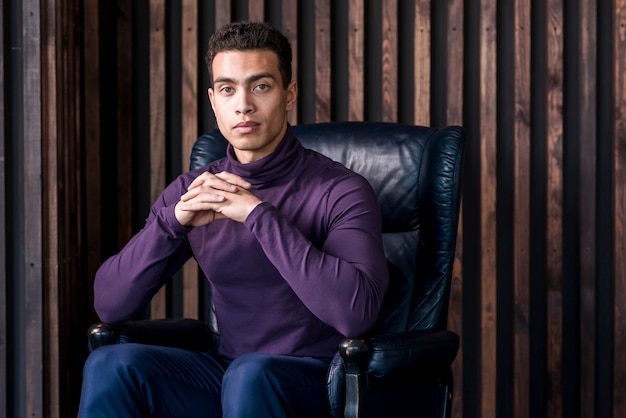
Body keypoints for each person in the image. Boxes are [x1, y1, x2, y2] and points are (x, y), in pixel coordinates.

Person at [78, 21, 389, 418]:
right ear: (213, 100)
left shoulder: (340, 190)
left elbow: (355, 313)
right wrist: (171, 224)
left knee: (251, 374)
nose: (243, 104)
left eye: (261, 86)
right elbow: (109, 304)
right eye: (228, 89)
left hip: (318, 381)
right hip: (230, 375)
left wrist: (259, 215)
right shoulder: (196, 190)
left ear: (289, 94)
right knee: (110, 365)